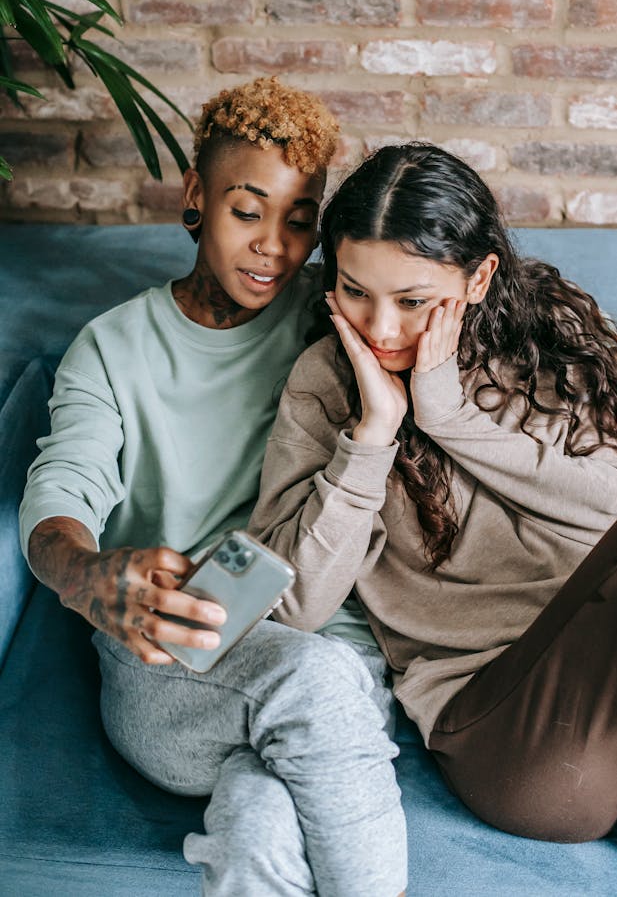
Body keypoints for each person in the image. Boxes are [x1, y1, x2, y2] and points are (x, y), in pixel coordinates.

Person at [249, 141, 617, 897]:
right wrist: (375, 435)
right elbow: (295, 602)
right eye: (355, 291)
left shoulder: (554, 339)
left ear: (479, 277)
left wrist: (450, 416)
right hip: (515, 743)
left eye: (414, 301)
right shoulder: (326, 383)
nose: (382, 328)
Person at [19, 79, 407, 897]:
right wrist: (86, 575)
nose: (274, 244)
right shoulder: (114, 347)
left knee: (263, 818)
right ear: (196, 196)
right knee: (316, 683)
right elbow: (62, 490)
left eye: (300, 219)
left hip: (328, 664)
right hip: (174, 657)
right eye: (246, 209)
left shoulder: (333, 320)